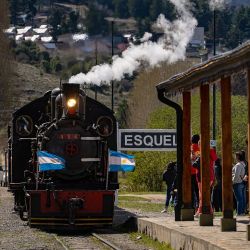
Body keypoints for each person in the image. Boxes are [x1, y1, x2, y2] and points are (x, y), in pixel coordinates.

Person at [193, 143, 217, 217]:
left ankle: (208, 211)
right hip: (207, 175)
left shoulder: (206, 152)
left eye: (200, 144)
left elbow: (194, 164)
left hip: (204, 176)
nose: (199, 146)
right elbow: (214, 160)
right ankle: (201, 211)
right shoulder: (209, 151)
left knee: (203, 194)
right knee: (202, 194)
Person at [232, 151, 246, 216]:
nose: (235, 157)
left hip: (237, 183)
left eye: (235, 156)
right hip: (243, 182)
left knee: (239, 199)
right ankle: (242, 212)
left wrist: (233, 181)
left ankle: (239, 213)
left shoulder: (238, 165)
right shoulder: (244, 164)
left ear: (238, 156)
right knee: (242, 198)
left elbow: (237, 175)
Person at [191, 134, 200, 211]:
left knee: (193, 190)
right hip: (196, 170)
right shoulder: (198, 147)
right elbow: (197, 157)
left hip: (191, 171)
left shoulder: (192, 147)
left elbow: (193, 157)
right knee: (198, 191)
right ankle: (197, 207)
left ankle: (194, 207)